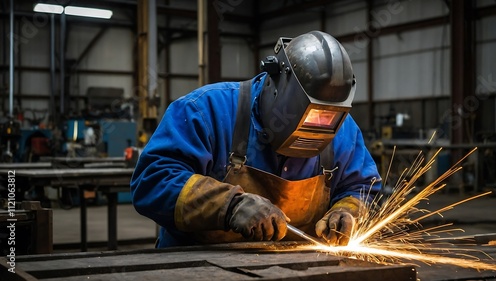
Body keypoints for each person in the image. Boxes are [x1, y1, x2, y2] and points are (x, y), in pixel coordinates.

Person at [130, 30, 381, 248]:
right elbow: (152, 180)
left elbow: (362, 188)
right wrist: (229, 205)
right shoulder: (205, 111)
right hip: (195, 264)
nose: (316, 127)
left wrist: (348, 211)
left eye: (329, 117)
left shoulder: (344, 130)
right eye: (308, 114)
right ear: (275, 85)